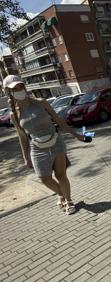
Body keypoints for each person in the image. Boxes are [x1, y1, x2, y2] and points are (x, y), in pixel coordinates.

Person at [3, 75, 89, 215]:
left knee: (61, 175)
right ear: (9, 92)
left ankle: (68, 200)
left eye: (21, 87)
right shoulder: (14, 114)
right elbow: (22, 137)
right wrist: (26, 157)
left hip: (56, 143)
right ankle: (61, 193)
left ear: (24, 87)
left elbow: (59, 121)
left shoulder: (41, 102)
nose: (19, 90)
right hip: (37, 148)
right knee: (44, 178)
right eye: (15, 89)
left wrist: (77, 135)